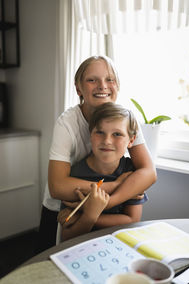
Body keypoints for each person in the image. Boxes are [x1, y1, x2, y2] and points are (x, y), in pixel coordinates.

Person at [36, 55, 156, 253]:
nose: (102, 85)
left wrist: (106, 202)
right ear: (78, 89)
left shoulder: (125, 118)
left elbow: (149, 173)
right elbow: (58, 186)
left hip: (97, 205)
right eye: (92, 80)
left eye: (109, 79)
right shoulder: (67, 124)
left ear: (117, 85)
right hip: (63, 207)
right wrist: (117, 185)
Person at [57, 102, 148, 242]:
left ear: (131, 140)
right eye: (100, 132)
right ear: (90, 134)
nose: (107, 141)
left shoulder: (131, 172)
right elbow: (67, 236)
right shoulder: (75, 175)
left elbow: (132, 220)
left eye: (117, 134)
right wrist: (89, 216)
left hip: (119, 245)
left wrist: (89, 216)